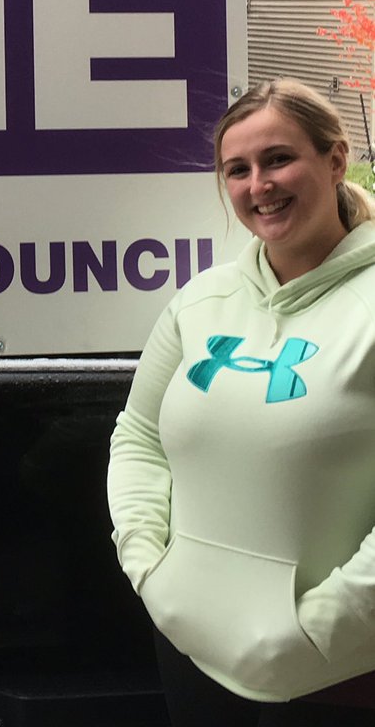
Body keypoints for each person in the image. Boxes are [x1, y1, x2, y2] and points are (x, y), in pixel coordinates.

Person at [107, 78, 375, 725]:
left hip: (336, 669)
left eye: (279, 159)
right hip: (190, 644)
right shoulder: (203, 300)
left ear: (335, 159)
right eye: (237, 169)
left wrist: (319, 629)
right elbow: (138, 435)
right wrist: (148, 566)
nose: (259, 185)